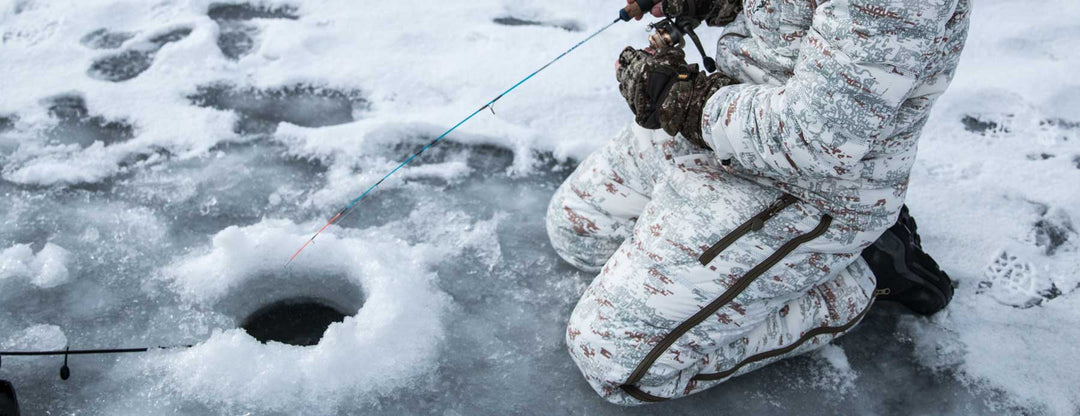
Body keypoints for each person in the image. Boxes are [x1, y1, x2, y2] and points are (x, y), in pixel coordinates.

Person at [546, 0, 969, 404]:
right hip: (728, 117)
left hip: (809, 188)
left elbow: (819, 137)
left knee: (613, 361)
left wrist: (688, 103)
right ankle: (727, 264)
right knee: (577, 228)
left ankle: (860, 273)